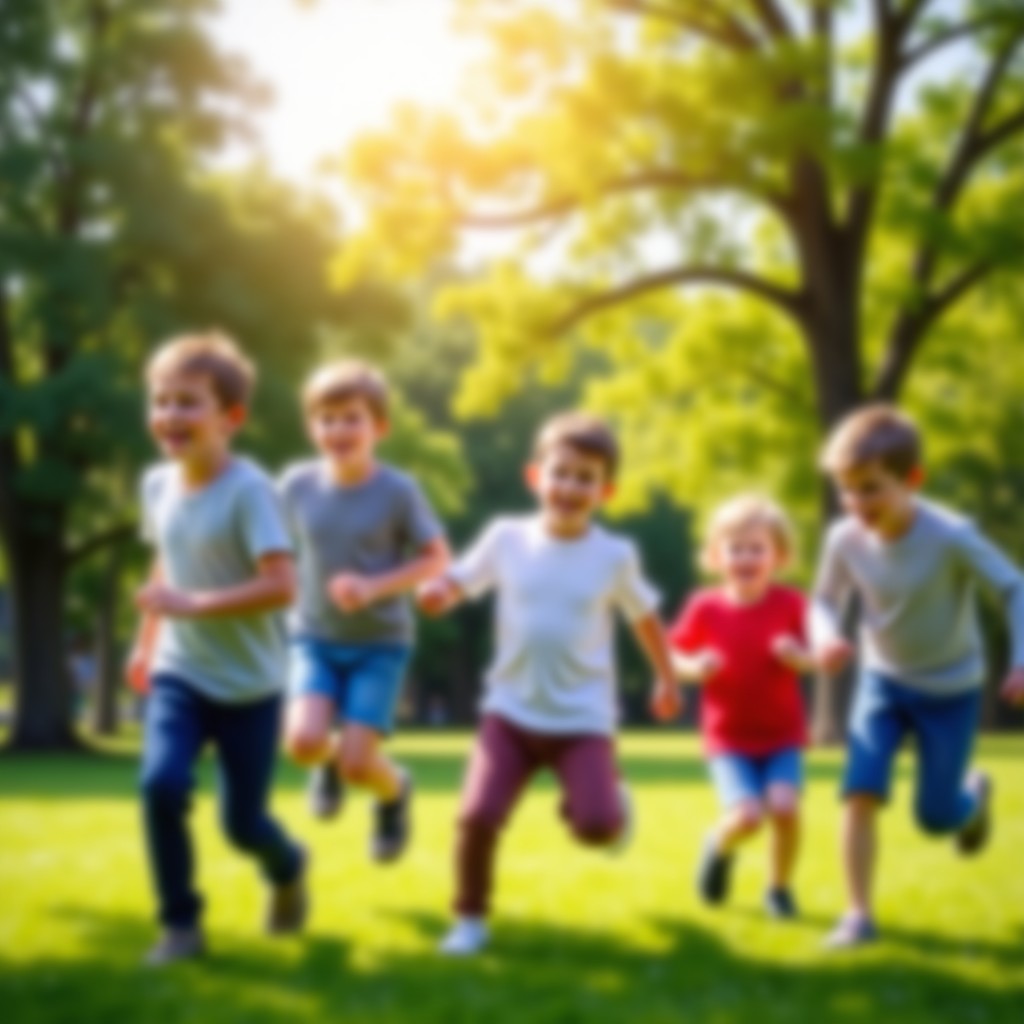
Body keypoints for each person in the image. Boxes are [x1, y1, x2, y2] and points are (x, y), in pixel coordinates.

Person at [418, 412, 681, 956]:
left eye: (585, 478)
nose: (570, 487)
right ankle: (469, 920)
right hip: (509, 714)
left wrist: (666, 678)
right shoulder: (506, 538)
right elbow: (462, 578)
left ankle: (604, 798)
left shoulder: (614, 556)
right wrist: (440, 591)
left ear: (604, 491)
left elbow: (646, 619)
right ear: (535, 476)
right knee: (475, 816)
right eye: (560, 473)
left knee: (596, 829)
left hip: (582, 721)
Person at [811, 404, 1024, 949]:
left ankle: (971, 799)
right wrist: (826, 634)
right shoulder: (843, 538)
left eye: (871, 488)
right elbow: (824, 599)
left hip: (951, 690)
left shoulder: (951, 535)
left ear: (913, 480)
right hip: (881, 683)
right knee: (859, 792)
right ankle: (858, 916)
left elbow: (1014, 588)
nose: (857, 503)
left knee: (934, 817)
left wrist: (1020, 659)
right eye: (847, 490)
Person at [129, 331, 307, 966]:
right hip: (181, 672)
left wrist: (196, 604)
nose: (170, 415)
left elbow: (284, 587)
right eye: (161, 401)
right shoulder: (156, 486)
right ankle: (181, 926)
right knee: (160, 784)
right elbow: (165, 564)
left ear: (229, 419)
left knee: (242, 826)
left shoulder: (250, 490)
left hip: (251, 687)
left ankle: (288, 866)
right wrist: (145, 642)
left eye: (188, 402)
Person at [280, 361, 448, 862]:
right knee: (305, 742)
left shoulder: (398, 491)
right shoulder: (296, 485)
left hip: (380, 645)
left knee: (359, 766)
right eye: (326, 419)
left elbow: (437, 559)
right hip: (314, 636)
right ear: (312, 428)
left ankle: (395, 794)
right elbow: (262, 541)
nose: (337, 429)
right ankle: (323, 764)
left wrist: (374, 586)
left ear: (379, 427)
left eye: (351, 417)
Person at [670, 496, 813, 919]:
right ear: (716, 556)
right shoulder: (705, 606)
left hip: (782, 735)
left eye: (757, 548)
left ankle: (779, 889)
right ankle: (718, 844)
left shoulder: (790, 604)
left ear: (778, 556)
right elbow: (671, 657)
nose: (746, 557)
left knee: (785, 808)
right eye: (735, 548)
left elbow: (816, 654)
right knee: (749, 816)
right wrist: (695, 667)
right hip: (728, 739)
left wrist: (798, 656)